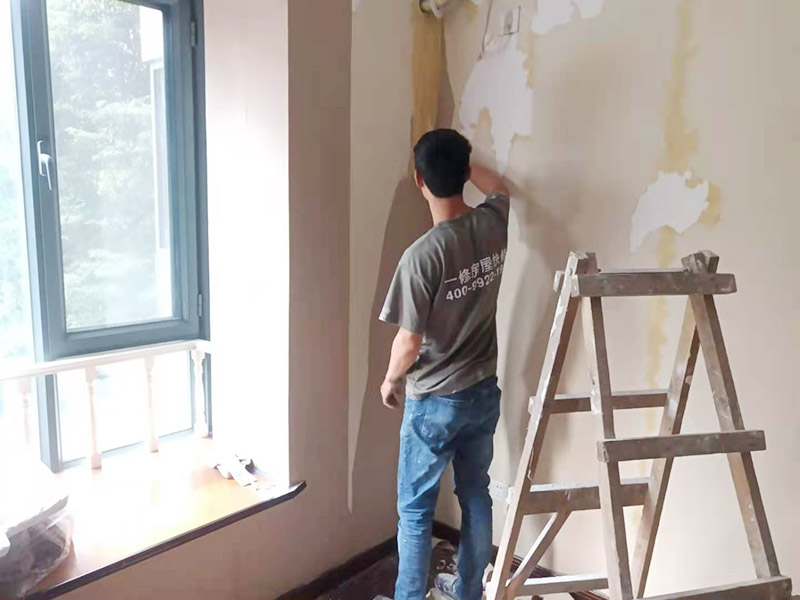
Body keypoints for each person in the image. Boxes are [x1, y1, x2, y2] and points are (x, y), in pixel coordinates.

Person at [379, 128, 510, 600]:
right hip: (483, 391)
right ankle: (469, 592)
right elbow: (501, 188)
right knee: (475, 493)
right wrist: (466, 166)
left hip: (434, 402)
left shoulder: (421, 256)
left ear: (419, 180)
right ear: (465, 172)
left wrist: (390, 381)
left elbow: (409, 340)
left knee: (415, 511)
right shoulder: (493, 222)